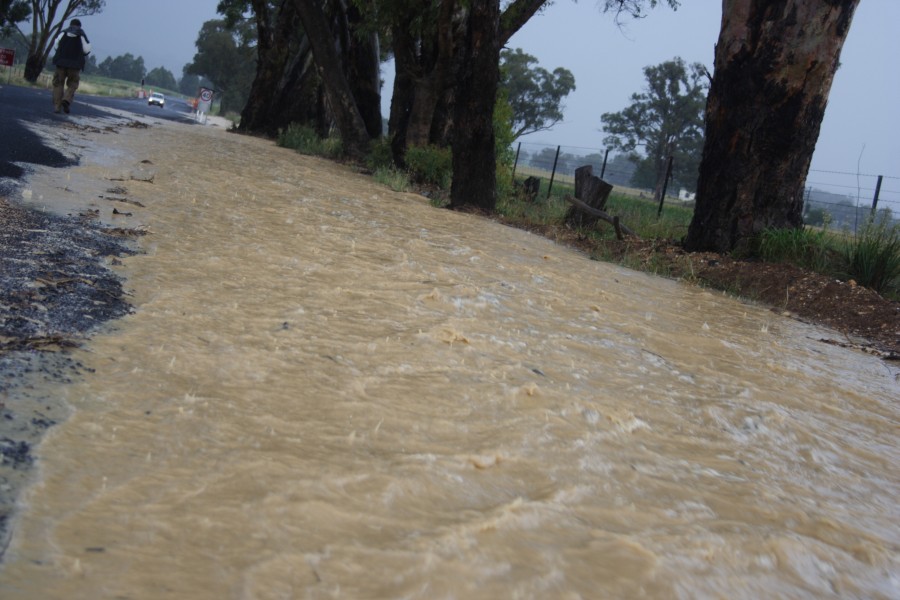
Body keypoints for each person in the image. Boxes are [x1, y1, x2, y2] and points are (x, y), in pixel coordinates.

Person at [51, 18, 91, 114]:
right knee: (72, 84)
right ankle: (66, 99)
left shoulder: (63, 33)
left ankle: (57, 106)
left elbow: (56, 45)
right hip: (75, 65)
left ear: (70, 25)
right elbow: (86, 50)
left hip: (61, 63)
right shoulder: (81, 35)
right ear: (79, 26)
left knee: (58, 83)